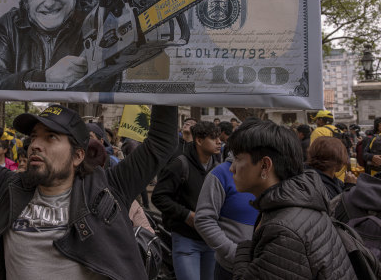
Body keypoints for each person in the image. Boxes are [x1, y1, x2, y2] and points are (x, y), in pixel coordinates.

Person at [0, 67, 177, 280]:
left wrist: (170, 80)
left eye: (51, 137)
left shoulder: (109, 188)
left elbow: (161, 142)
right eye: (34, 136)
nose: (35, 144)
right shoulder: (9, 187)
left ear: (78, 156)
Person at [227, 119, 356, 279]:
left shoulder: (284, 231)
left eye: (238, 159)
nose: (232, 168)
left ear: (265, 166)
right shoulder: (297, 203)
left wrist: (245, 249)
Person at [151, 121, 222, 280]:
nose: (219, 142)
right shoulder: (180, 164)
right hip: (185, 240)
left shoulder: (218, 167)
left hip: (211, 240)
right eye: (213, 138)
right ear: (199, 140)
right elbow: (159, 196)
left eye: (219, 138)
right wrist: (186, 215)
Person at [194, 150, 258, 280]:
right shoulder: (220, 173)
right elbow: (203, 219)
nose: (233, 168)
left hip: (266, 268)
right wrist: (234, 253)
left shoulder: (273, 176)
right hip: (229, 268)